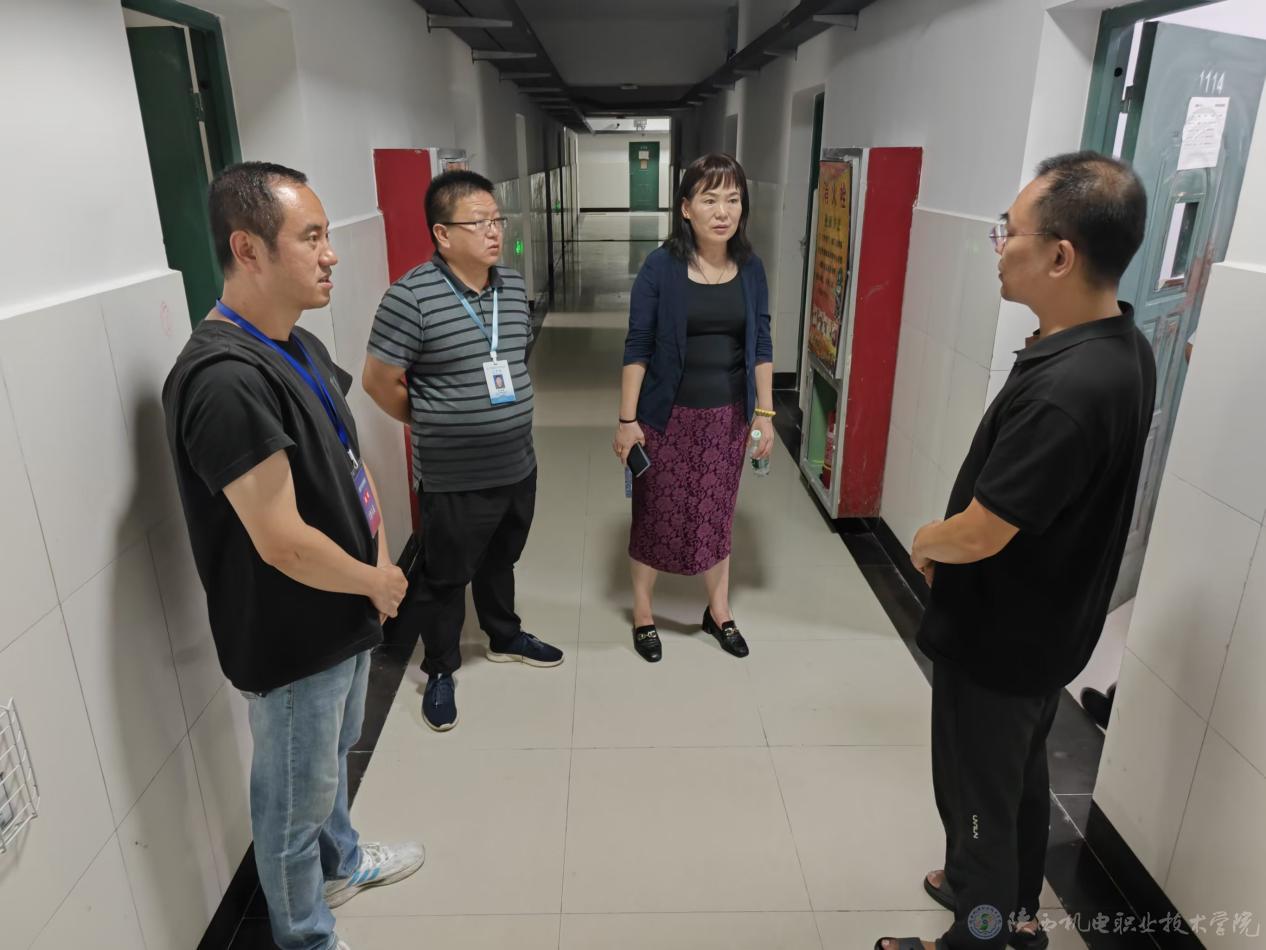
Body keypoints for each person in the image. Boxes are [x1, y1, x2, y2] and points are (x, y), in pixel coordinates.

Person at [876, 152, 1155, 950]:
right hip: (1046, 630)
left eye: (1010, 231)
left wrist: (926, 540)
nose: (998, 246)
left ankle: (983, 930)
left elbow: (981, 531)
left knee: (979, 807)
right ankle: (1010, 907)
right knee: (1016, 782)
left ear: (1060, 256)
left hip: (999, 642)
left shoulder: (1070, 390)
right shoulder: (1119, 344)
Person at [163, 162, 424, 950]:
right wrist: (376, 579)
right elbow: (278, 540)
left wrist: (380, 562)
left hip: (344, 609)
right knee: (291, 805)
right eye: (311, 237)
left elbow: (347, 462)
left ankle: (342, 863)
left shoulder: (296, 344)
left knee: (331, 758)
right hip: (293, 634)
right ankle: (307, 936)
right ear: (248, 249)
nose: (330, 253)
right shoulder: (223, 380)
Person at [362, 170, 563, 733]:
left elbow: (513, 359)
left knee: (502, 558)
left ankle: (504, 635)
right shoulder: (410, 297)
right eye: (479, 223)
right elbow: (379, 381)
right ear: (443, 234)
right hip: (453, 476)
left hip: (517, 463)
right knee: (445, 577)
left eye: (497, 220)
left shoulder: (513, 287)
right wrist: (431, 419)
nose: (495, 232)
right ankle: (441, 667)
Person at [613, 153, 775, 664]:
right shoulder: (660, 267)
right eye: (710, 200)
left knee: (717, 514)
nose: (723, 211)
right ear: (686, 208)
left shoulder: (751, 268)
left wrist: (765, 413)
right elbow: (638, 345)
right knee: (653, 514)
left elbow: (762, 342)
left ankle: (718, 611)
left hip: (727, 419)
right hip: (666, 418)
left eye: (733, 199)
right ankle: (643, 612)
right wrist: (627, 420)